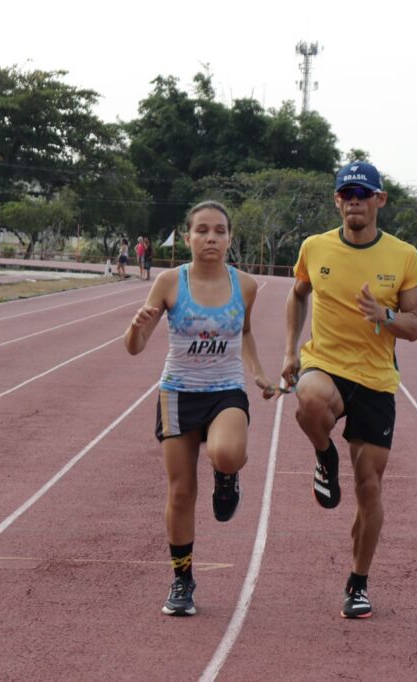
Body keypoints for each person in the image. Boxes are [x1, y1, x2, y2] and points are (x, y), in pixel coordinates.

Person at [280, 161, 417, 619]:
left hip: (376, 381)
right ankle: (324, 455)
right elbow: (298, 293)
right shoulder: (315, 247)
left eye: (363, 194)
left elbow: (416, 326)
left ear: (380, 200)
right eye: (347, 194)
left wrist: (382, 316)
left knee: (369, 488)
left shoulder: (403, 256)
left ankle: (358, 582)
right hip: (326, 362)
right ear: (337, 201)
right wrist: (290, 352)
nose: (354, 202)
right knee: (309, 397)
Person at [124, 200, 279, 617]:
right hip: (177, 394)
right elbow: (135, 348)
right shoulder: (170, 283)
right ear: (188, 236)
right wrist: (136, 328)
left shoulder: (245, 285)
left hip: (226, 390)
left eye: (220, 231)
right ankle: (182, 579)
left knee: (226, 453)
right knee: (181, 491)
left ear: (230, 238)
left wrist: (260, 374)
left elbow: (243, 334)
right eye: (203, 230)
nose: (211, 238)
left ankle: (226, 479)